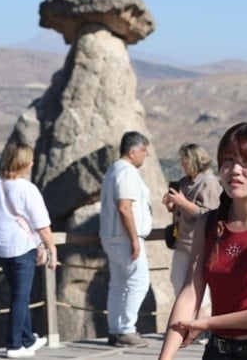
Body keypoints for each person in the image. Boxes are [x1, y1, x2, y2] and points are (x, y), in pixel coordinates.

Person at [159, 122, 247, 360]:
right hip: (217, 353)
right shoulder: (208, 224)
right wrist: (164, 357)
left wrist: (208, 322)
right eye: (228, 160)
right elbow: (190, 293)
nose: (235, 170)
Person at [0, 142, 56, 359]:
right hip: (22, 248)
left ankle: (28, 339)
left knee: (18, 295)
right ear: (23, 162)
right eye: (31, 159)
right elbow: (42, 225)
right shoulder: (26, 189)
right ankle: (14, 345)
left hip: (3, 248)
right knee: (20, 297)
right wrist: (51, 248)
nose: (33, 163)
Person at [99, 131, 153, 348]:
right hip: (125, 238)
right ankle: (126, 329)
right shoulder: (127, 172)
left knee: (118, 284)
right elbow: (124, 207)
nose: (146, 155)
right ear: (132, 152)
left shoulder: (113, 170)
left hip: (112, 237)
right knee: (139, 282)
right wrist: (134, 239)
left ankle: (115, 329)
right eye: (143, 150)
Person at [162, 143, 222, 295]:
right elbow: (180, 210)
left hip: (199, 244)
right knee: (177, 281)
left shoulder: (209, 183)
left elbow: (209, 214)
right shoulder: (184, 182)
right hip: (182, 242)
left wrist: (182, 202)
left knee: (197, 287)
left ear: (194, 161)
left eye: (184, 160)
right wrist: (172, 205)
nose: (182, 164)